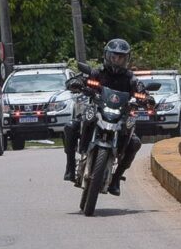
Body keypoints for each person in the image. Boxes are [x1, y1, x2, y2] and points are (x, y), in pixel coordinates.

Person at [63, 39, 153, 196]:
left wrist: (147, 99)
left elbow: (142, 91)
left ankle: (116, 179)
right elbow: (82, 79)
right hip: (97, 110)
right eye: (114, 56)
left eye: (121, 57)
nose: (117, 60)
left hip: (121, 116)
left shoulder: (130, 79)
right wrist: (76, 82)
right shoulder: (98, 73)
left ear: (127, 59)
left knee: (135, 143)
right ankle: (70, 166)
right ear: (107, 56)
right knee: (70, 127)